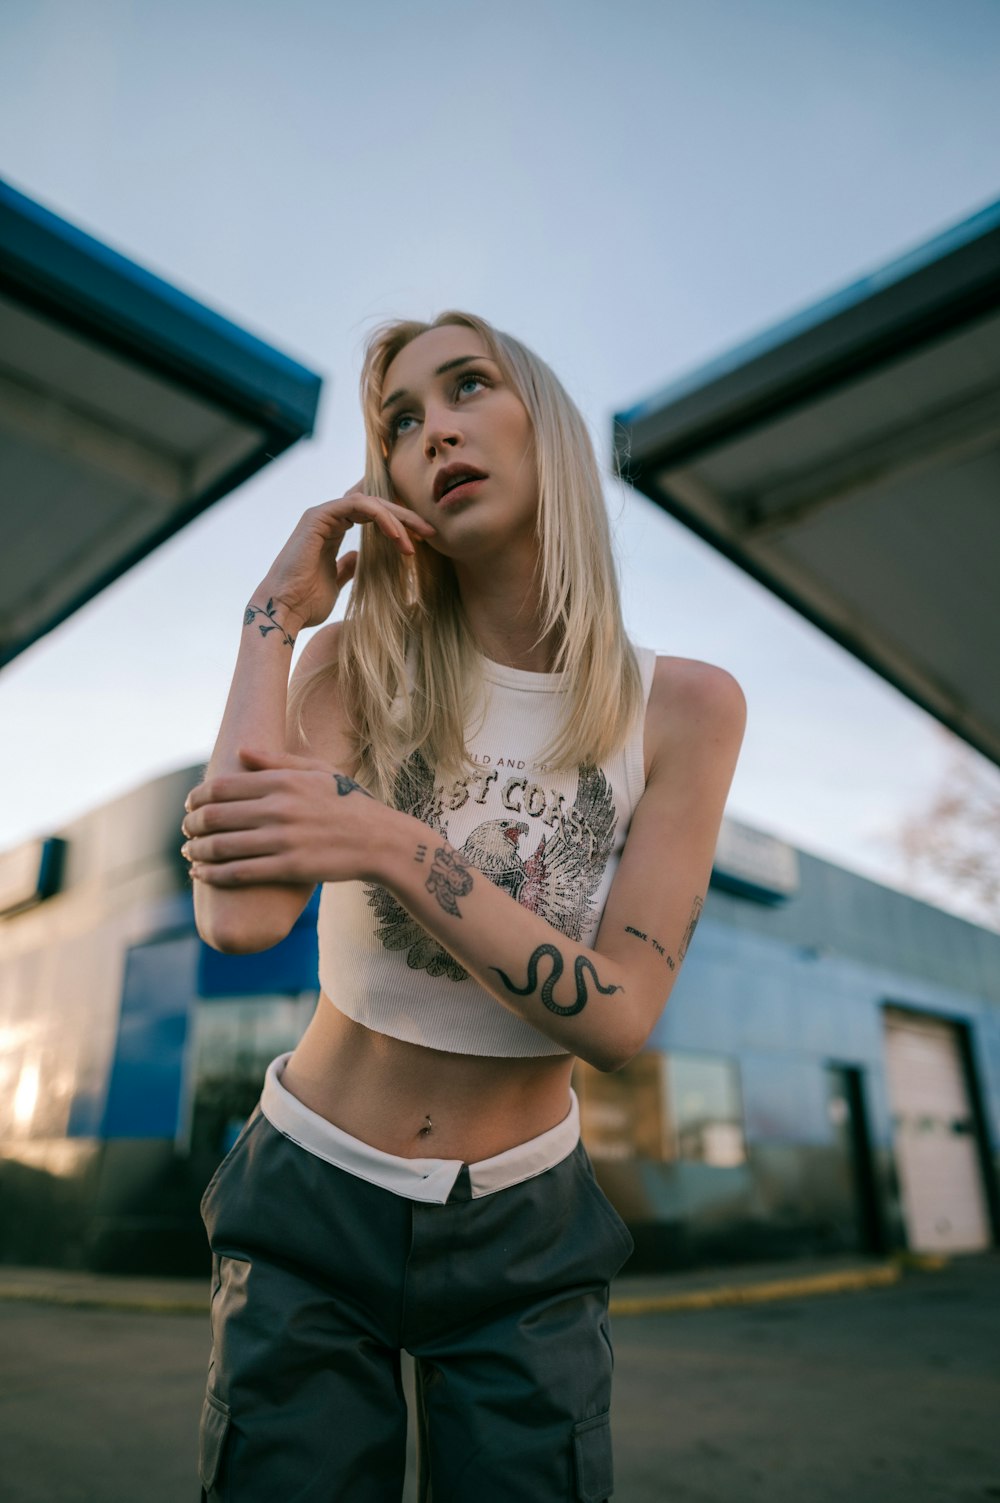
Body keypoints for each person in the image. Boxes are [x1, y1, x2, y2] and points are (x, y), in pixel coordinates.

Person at [183, 310, 746, 1502]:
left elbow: (617, 1015)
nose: (431, 430)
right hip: (308, 1196)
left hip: (525, 1232)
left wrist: (390, 842)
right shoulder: (353, 670)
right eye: (397, 422)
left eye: (465, 388)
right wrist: (275, 622)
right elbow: (237, 918)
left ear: (542, 424)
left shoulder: (686, 709)